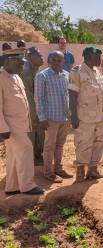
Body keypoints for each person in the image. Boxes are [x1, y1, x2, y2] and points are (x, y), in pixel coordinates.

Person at [0, 48, 44, 195]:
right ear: (9, 61)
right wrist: (2, 128)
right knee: (26, 149)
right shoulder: (1, 78)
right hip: (10, 126)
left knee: (13, 155)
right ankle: (28, 185)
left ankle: (12, 186)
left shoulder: (16, 76)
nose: (22, 66)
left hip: (21, 124)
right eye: (19, 63)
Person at [69, 47, 103, 183]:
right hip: (85, 116)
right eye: (98, 57)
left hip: (101, 115)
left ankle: (93, 169)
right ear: (89, 56)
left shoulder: (97, 71)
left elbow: (102, 92)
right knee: (83, 143)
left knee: (100, 141)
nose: (100, 59)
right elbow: (72, 95)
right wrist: (73, 115)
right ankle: (80, 171)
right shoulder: (77, 71)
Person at [35, 51, 72, 182]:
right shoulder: (42, 76)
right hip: (50, 119)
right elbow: (38, 98)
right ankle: (48, 172)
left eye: (59, 60)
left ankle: (58, 168)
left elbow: (68, 96)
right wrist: (42, 118)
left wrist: (71, 115)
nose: (57, 63)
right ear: (49, 61)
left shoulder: (66, 75)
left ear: (63, 62)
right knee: (49, 146)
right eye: (54, 60)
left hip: (64, 117)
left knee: (60, 145)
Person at [21, 47, 45, 165]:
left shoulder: (37, 72)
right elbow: (30, 97)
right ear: (30, 57)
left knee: (38, 132)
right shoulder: (26, 74)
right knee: (32, 131)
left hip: (36, 110)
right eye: (39, 55)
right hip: (30, 111)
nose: (42, 57)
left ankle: (37, 155)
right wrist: (36, 113)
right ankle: (32, 158)